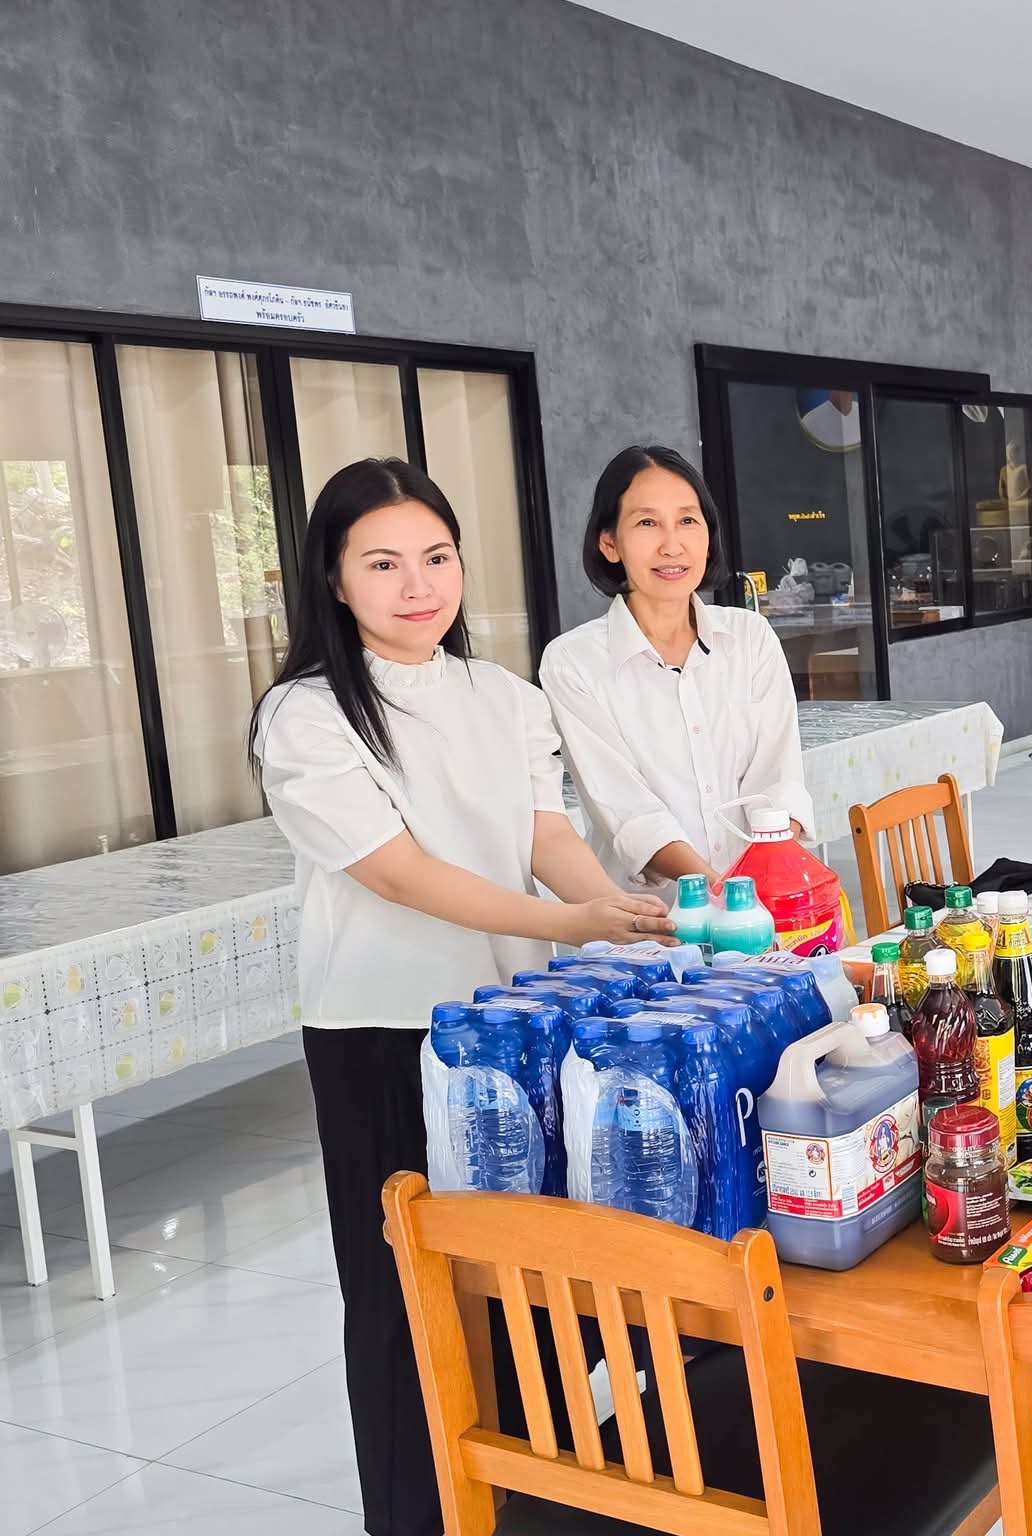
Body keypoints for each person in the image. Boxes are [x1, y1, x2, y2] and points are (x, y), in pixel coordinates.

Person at [250, 458, 672, 1536]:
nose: (417, 585)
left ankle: (523, 1494)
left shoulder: (503, 696)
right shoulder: (305, 715)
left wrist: (615, 907)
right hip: (385, 1036)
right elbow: (397, 874)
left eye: (436, 557)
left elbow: (546, 836)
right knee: (405, 1297)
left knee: (526, 1278)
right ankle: (415, 1515)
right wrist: (572, 926)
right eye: (382, 564)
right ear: (334, 579)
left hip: (515, 1030)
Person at [541, 444, 814, 898]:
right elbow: (629, 812)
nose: (672, 545)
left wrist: (769, 885)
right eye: (647, 523)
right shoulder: (573, 663)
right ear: (609, 543)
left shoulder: (750, 638)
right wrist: (722, 894)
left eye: (688, 521)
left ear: (708, 536)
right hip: (651, 920)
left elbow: (777, 779)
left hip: (762, 906)